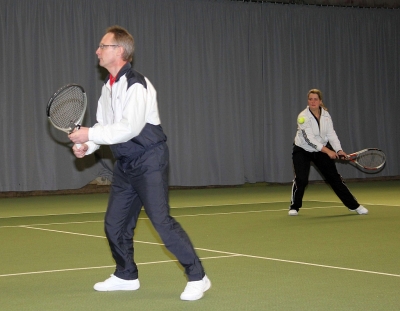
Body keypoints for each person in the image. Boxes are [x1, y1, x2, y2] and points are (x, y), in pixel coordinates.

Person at [68, 25, 210, 301]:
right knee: (115, 224)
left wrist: (90, 134)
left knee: (161, 222)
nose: (97, 51)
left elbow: (130, 128)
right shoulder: (107, 88)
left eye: (102, 46)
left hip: (149, 160)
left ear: (119, 51)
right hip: (125, 163)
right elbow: (104, 125)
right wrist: (89, 145)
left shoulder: (137, 84)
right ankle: (126, 275)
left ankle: (198, 276)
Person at [289, 89, 368, 216]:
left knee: (335, 178)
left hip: (321, 150)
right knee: (301, 179)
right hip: (302, 150)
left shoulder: (326, 115)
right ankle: (294, 207)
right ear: (308, 101)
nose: (313, 102)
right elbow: (309, 140)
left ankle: (354, 206)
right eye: (310, 99)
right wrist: (328, 151)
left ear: (320, 101)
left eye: (315, 99)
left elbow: (331, 134)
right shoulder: (303, 117)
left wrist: (338, 149)